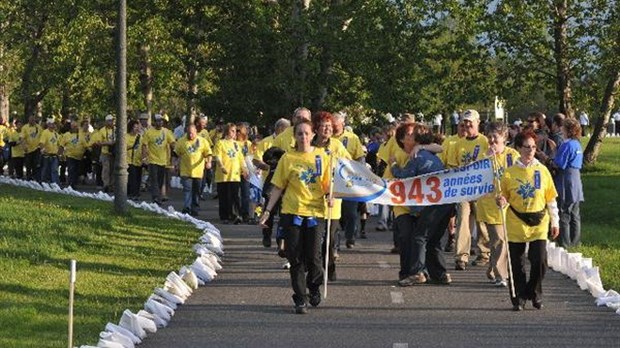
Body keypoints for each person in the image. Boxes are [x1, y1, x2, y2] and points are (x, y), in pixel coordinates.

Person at [258, 119, 331, 314]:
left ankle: (313, 286)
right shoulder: (287, 158)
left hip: (316, 212)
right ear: (295, 136)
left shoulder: (322, 157)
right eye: (300, 134)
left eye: (307, 133)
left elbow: (328, 185)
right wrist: (267, 212)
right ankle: (300, 297)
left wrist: (330, 196)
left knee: (314, 258)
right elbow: (278, 187)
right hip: (292, 212)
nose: (303, 137)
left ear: (313, 135)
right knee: (295, 257)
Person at [497, 130, 559, 311]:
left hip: (539, 221)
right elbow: (503, 196)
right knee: (516, 263)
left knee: (540, 260)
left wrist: (555, 221)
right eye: (526, 147)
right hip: (516, 221)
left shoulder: (542, 170)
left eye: (533, 147)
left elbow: (551, 199)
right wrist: (501, 201)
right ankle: (518, 296)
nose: (530, 150)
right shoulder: (509, 173)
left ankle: (534, 292)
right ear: (518, 148)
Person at [390, 124, 454, 286]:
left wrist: (393, 165)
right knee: (433, 240)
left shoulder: (417, 157)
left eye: (412, 136)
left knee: (420, 236)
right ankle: (440, 274)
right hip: (445, 203)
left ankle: (417, 272)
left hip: (433, 204)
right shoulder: (431, 154)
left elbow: (405, 177)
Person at [476, 122, 520, 287]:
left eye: (496, 136)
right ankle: (502, 275)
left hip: (510, 205)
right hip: (490, 206)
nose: (492, 140)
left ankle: (493, 268)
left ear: (504, 138)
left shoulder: (512, 155)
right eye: (489, 136)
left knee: (505, 241)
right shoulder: (483, 156)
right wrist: (486, 158)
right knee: (498, 240)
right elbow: (476, 176)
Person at [447, 109, 490, 270]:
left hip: (480, 188)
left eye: (470, 121)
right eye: (464, 122)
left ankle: (484, 252)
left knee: (481, 221)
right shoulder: (458, 143)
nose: (467, 125)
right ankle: (461, 256)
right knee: (463, 219)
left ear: (478, 122)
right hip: (464, 188)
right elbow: (452, 165)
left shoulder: (485, 141)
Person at [312, 111, 351, 281]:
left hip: (332, 201)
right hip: (311, 200)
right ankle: (315, 269)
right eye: (324, 125)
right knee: (314, 239)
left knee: (329, 238)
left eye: (330, 126)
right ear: (316, 128)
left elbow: (349, 167)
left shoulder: (337, 146)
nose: (328, 129)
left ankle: (329, 267)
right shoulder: (308, 146)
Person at [331, 111, 366, 248]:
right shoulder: (327, 138)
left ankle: (350, 237)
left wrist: (359, 171)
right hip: (332, 181)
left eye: (336, 125)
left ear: (342, 124)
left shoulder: (352, 138)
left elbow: (360, 157)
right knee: (335, 214)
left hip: (349, 180)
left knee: (350, 212)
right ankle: (335, 243)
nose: (333, 127)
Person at [552, 117, 584, 248]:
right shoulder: (577, 144)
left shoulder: (566, 145)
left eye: (563, 127)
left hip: (566, 179)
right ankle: (575, 241)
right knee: (575, 213)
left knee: (564, 212)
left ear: (567, 130)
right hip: (576, 179)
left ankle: (565, 242)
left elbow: (559, 164)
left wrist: (550, 158)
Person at [174, 124, 213, 216]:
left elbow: (208, 153)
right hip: (185, 170)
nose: (190, 135)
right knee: (187, 189)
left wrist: (209, 162)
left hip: (198, 171)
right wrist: (175, 164)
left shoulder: (202, 141)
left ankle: (195, 207)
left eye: (192, 133)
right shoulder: (181, 141)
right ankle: (187, 207)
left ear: (196, 132)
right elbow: (175, 154)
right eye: (189, 133)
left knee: (196, 190)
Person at [213, 123, 247, 224]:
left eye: (235, 131)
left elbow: (241, 158)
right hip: (223, 175)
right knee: (224, 196)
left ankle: (237, 215)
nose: (234, 133)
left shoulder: (236, 144)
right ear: (227, 131)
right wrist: (221, 166)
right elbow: (217, 156)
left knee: (235, 196)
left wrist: (244, 168)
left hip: (234, 174)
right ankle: (225, 216)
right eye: (232, 131)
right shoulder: (220, 143)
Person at [142, 114, 175, 204]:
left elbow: (172, 143)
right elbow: (144, 145)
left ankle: (158, 195)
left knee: (160, 180)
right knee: (154, 179)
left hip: (163, 160)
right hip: (152, 160)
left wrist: (176, 152)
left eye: (161, 121)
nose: (159, 123)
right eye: (157, 121)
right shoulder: (149, 132)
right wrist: (144, 157)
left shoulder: (166, 132)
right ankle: (155, 197)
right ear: (154, 122)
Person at [91, 114, 116, 192]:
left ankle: (112, 185)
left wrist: (113, 143)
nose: (111, 122)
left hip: (114, 153)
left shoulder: (116, 129)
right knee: (106, 169)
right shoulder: (102, 130)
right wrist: (108, 143)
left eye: (112, 120)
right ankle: (106, 184)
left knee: (113, 169)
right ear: (106, 122)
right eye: (109, 121)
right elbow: (99, 142)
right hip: (105, 152)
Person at [59, 120, 88, 188]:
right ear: (71, 127)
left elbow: (85, 145)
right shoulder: (66, 135)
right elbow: (61, 145)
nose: (75, 128)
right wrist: (59, 154)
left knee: (76, 171)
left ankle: (74, 183)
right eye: (73, 126)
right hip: (70, 155)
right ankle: (70, 184)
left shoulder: (81, 135)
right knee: (71, 169)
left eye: (76, 126)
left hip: (79, 157)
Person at [38, 118, 61, 184]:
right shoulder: (45, 132)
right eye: (52, 124)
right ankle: (43, 182)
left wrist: (60, 154)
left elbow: (59, 144)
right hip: (47, 155)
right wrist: (43, 150)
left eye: (54, 124)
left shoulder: (56, 134)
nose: (53, 125)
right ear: (48, 124)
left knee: (55, 170)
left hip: (54, 155)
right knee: (45, 170)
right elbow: (41, 143)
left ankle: (55, 184)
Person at [126, 120, 143, 199]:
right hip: (129, 160)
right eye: (134, 127)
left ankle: (136, 192)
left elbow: (143, 147)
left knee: (138, 178)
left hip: (138, 160)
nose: (136, 129)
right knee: (132, 177)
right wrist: (131, 146)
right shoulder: (126, 136)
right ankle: (133, 193)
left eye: (137, 127)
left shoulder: (140, 137)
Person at [22, 115, 42, 181]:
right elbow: (22, 138)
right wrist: (24, 146)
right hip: (28, 149)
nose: (32, 121)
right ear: (29, 120)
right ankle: (28, 177)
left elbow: (42, 137)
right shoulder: (25, 127)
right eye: (31, 120)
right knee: (28, 165)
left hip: (36, 149)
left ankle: (34, 177)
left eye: (33, 120)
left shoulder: (39, 127)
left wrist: (41, 146)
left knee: (35, 164)